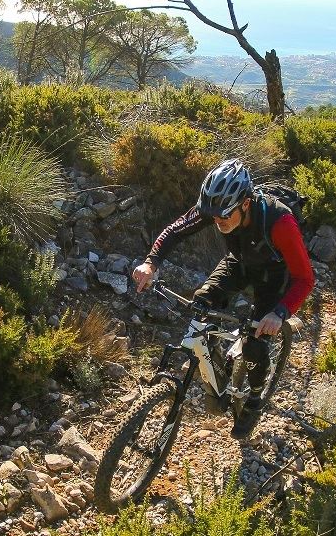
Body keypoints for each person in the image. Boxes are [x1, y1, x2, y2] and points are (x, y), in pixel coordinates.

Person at [132, 158, 315, 439]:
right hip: (240, 262)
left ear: (245, 204)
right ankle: (219, 360)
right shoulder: (217, 207)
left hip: (275, 274)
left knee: (256, 341)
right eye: (213, 217)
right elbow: (175, 230)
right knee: (202, 302)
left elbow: (305, 278)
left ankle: (253, 399)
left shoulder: (281, 223)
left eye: (223, 217)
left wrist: (279, 313)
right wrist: (151, 263)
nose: (217, 222)